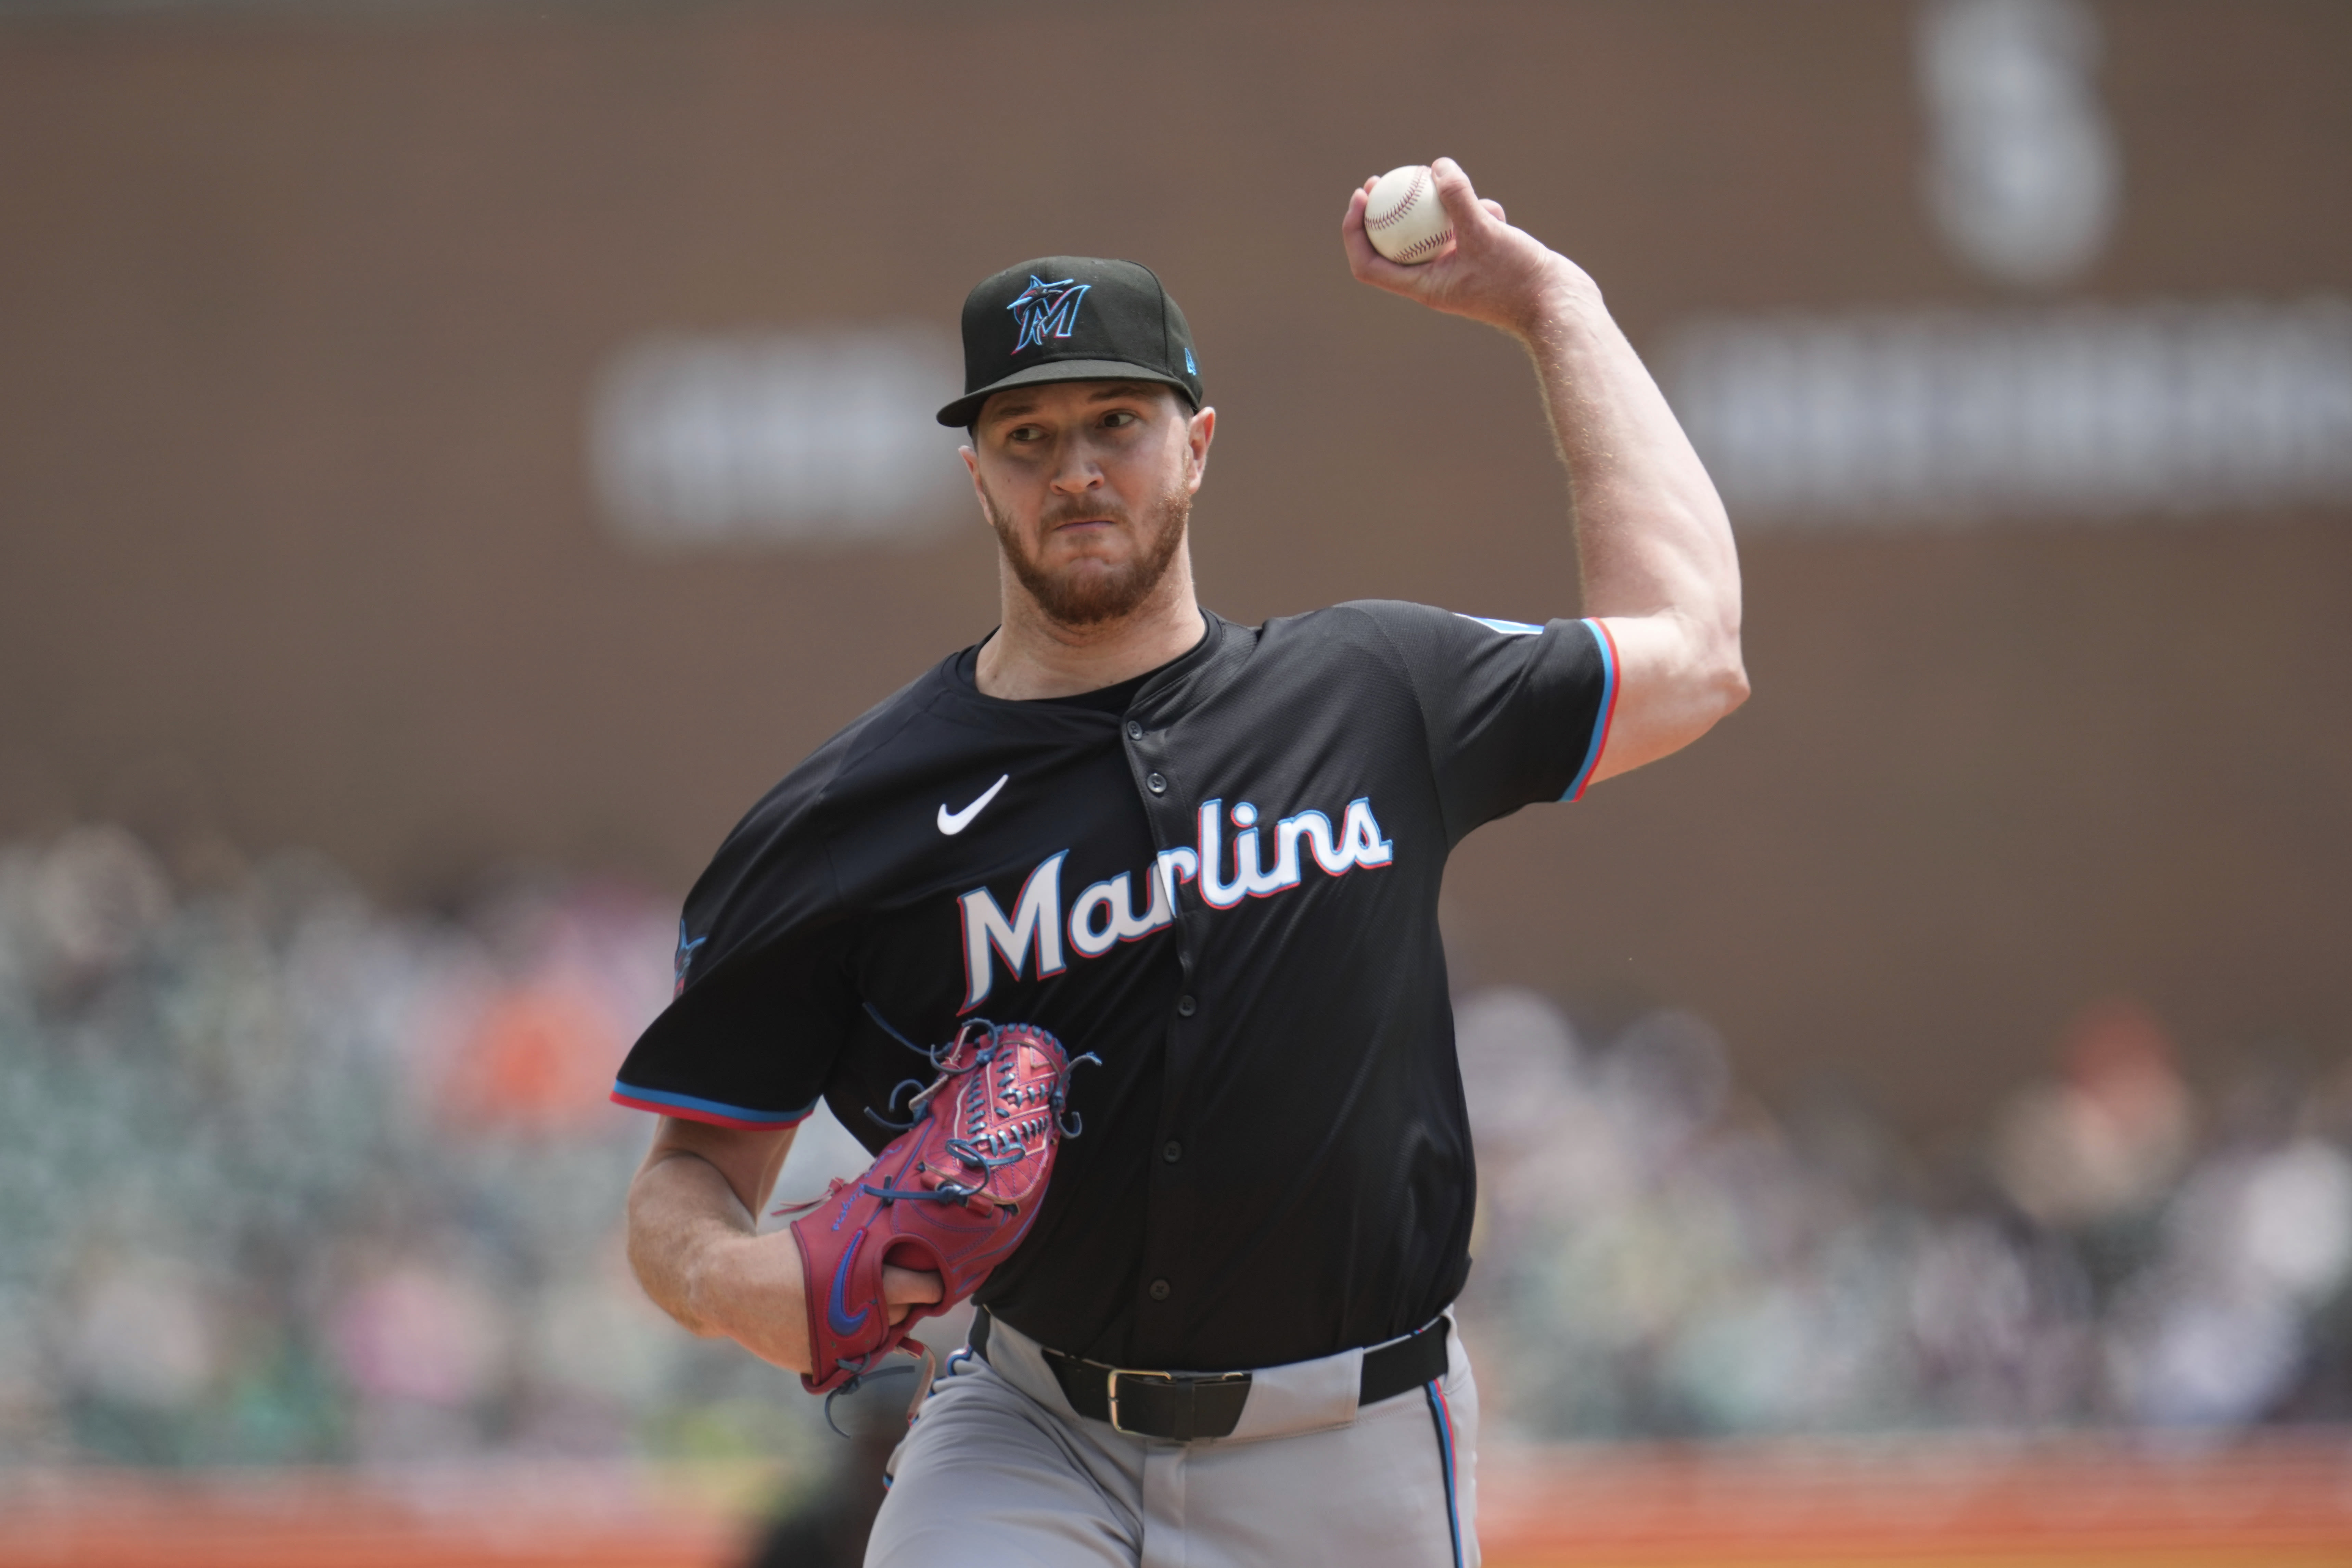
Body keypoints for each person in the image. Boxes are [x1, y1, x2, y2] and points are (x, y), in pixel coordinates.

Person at [615, 158, 1747, 1568]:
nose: (1075, 469)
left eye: (1115, 422)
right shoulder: (852, 815)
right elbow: (689, 1176)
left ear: (1198, 442)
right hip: (1030, 1434)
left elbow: (1693, 653)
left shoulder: (1370, 692)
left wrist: (1555, 305)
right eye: (1024, 437)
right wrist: (739, 1287)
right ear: (975, 476)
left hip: (1354, 1451)